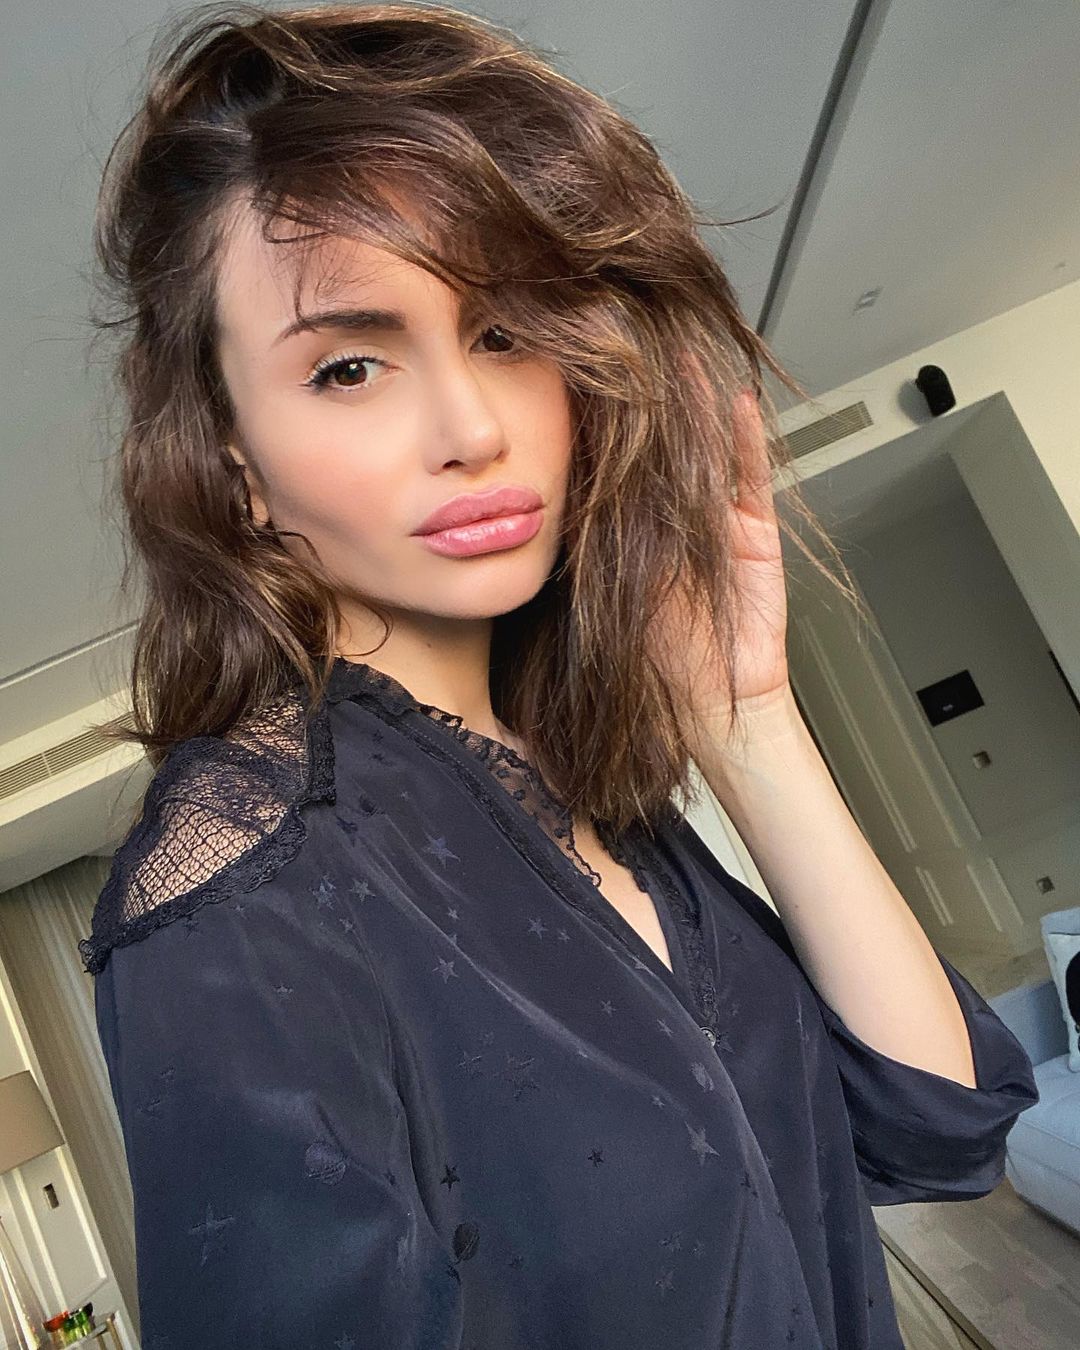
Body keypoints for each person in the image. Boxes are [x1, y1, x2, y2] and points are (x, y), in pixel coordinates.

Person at [78, 5, 1038, 1347]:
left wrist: (750, 721)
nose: (472, 427)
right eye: (349, 366)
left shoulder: (590, 792)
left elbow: (939, 1128)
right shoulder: (243, 887)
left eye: (505, 332)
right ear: (235, 466)